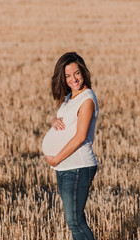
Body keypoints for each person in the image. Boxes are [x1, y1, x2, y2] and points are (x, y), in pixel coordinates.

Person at [42, 52, 99, 240]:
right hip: (66, 166)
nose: (73, 79)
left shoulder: (87, 99)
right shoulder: (70, 98)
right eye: (67, 76)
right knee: (73, 221)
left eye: (76, 73)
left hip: (77, 166)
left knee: (75, 221)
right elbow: (65, 122)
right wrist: (53, 121)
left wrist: (57, 158)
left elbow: (80, 136)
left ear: (83, 72)